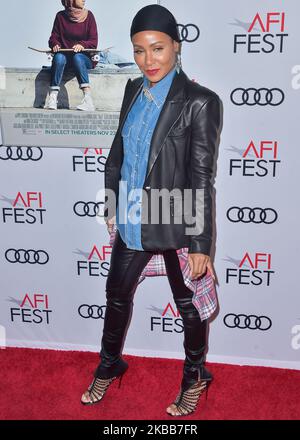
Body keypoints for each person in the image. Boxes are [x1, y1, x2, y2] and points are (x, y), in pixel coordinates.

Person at [81, 4, 222, 416]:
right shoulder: (131, 90)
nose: (148, 60)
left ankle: (195, 375)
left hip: (175, 220)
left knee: (188, 306)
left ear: (176, 47)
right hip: (131, 219)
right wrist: (111, 202)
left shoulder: (201, 102)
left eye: (157, 49)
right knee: (116, 295)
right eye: (139, 51)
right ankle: (110, 364)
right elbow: (118, 154)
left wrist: (200, 243)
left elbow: (201, 177)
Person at [45, 0, 98, 111]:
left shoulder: (89, 16)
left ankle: (88, 100)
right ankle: (53, 98)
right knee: (58, 57)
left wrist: (82, 45)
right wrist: (55, 44)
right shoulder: (60, 16)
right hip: (65, 57)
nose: (84, 0)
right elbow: (53, 37)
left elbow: (93, 41)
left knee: (77, 57)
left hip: (83, 58)